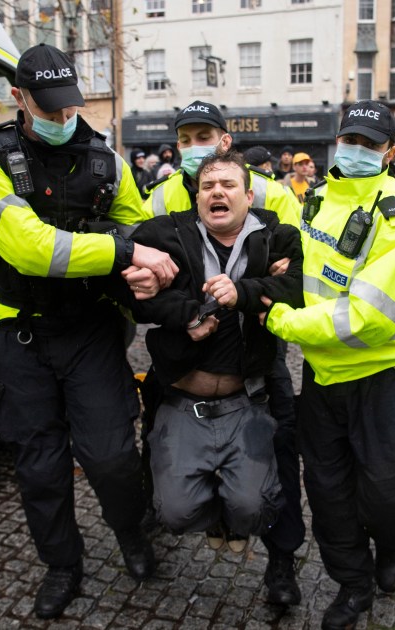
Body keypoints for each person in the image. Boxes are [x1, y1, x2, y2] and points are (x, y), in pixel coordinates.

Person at [0, 43, 179, 620]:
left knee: (109, 453)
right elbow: (31, 250)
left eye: (69, 107)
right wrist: (124, 250)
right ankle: (62, 565)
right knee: (40, 464)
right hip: (23, 331)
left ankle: (131, 533)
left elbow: (141, 227)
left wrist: (142, 259)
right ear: (18, 99)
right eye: (48, 108)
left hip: (90, 328)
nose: (63, 120)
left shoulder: (109, 161)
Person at [263, 100, 395, 630]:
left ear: (390, 151)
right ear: (337, 141)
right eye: (350, 140)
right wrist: (287, 268)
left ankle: (389, 546)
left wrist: (281, 321)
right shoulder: (317, 199)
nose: (356, 151)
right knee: (329, 494)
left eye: (369, 144)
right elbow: (316, 268)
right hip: (321, 380)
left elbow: (368, 316)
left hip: (382, 381)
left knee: (391, 497)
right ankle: (354, 584)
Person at [142, 100, 304, 606]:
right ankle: (198, 509)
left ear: (247, 191)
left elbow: (300, 281)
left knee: (279, 476)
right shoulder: (164, 224)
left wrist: (253, 290)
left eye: (227, 184)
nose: (215, 190)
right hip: (181, 384)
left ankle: (280, 564)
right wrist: (179, 308)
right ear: (195, 194)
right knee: (169, 507)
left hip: (255, 380)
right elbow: (135, 284)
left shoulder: (276, 223)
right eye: (207, 185)